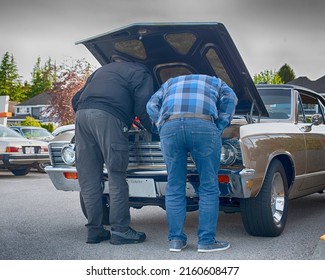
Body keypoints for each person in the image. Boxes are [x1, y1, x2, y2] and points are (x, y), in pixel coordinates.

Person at [146, 74, 238, 253]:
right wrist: (220, 125)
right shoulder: (216, 82)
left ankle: (176, 241)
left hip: (170, 127)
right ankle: (206, 241)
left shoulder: (170, 82)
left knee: (174, 185)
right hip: (203, 125)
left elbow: (151, 105)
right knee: (209, 185)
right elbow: (230, 99)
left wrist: (161, 124)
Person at [72, 61, 153, 244]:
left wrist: (87, 118)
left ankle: (94, 231)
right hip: (109, 117)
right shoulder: (142, 72)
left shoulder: (102, 70)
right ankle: (121, 230)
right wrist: (154, 130)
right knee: (116, 176)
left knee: (89, 178)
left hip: (82, 116)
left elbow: (75, 100)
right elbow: (143, 108)